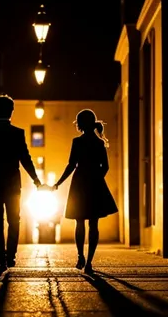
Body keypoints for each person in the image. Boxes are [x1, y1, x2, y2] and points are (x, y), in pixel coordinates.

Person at [0, 94, 42, 268]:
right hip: (13, 185)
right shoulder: (17, 133)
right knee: (14, 220)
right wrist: (36, 180)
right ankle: (10, 255)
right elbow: (25, 159)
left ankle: (0, 257)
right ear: (12, 111)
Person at [53, 109, 117, 274]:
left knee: (79, 221)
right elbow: (106, 166)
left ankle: (80, 255)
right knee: (94, 224)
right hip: (95, 183)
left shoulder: (77, 142)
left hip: (79, 183)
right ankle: (89, 262)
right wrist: (97, 178)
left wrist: (58, 183)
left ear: (80, 124)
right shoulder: (99, 143)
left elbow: (71, 165)